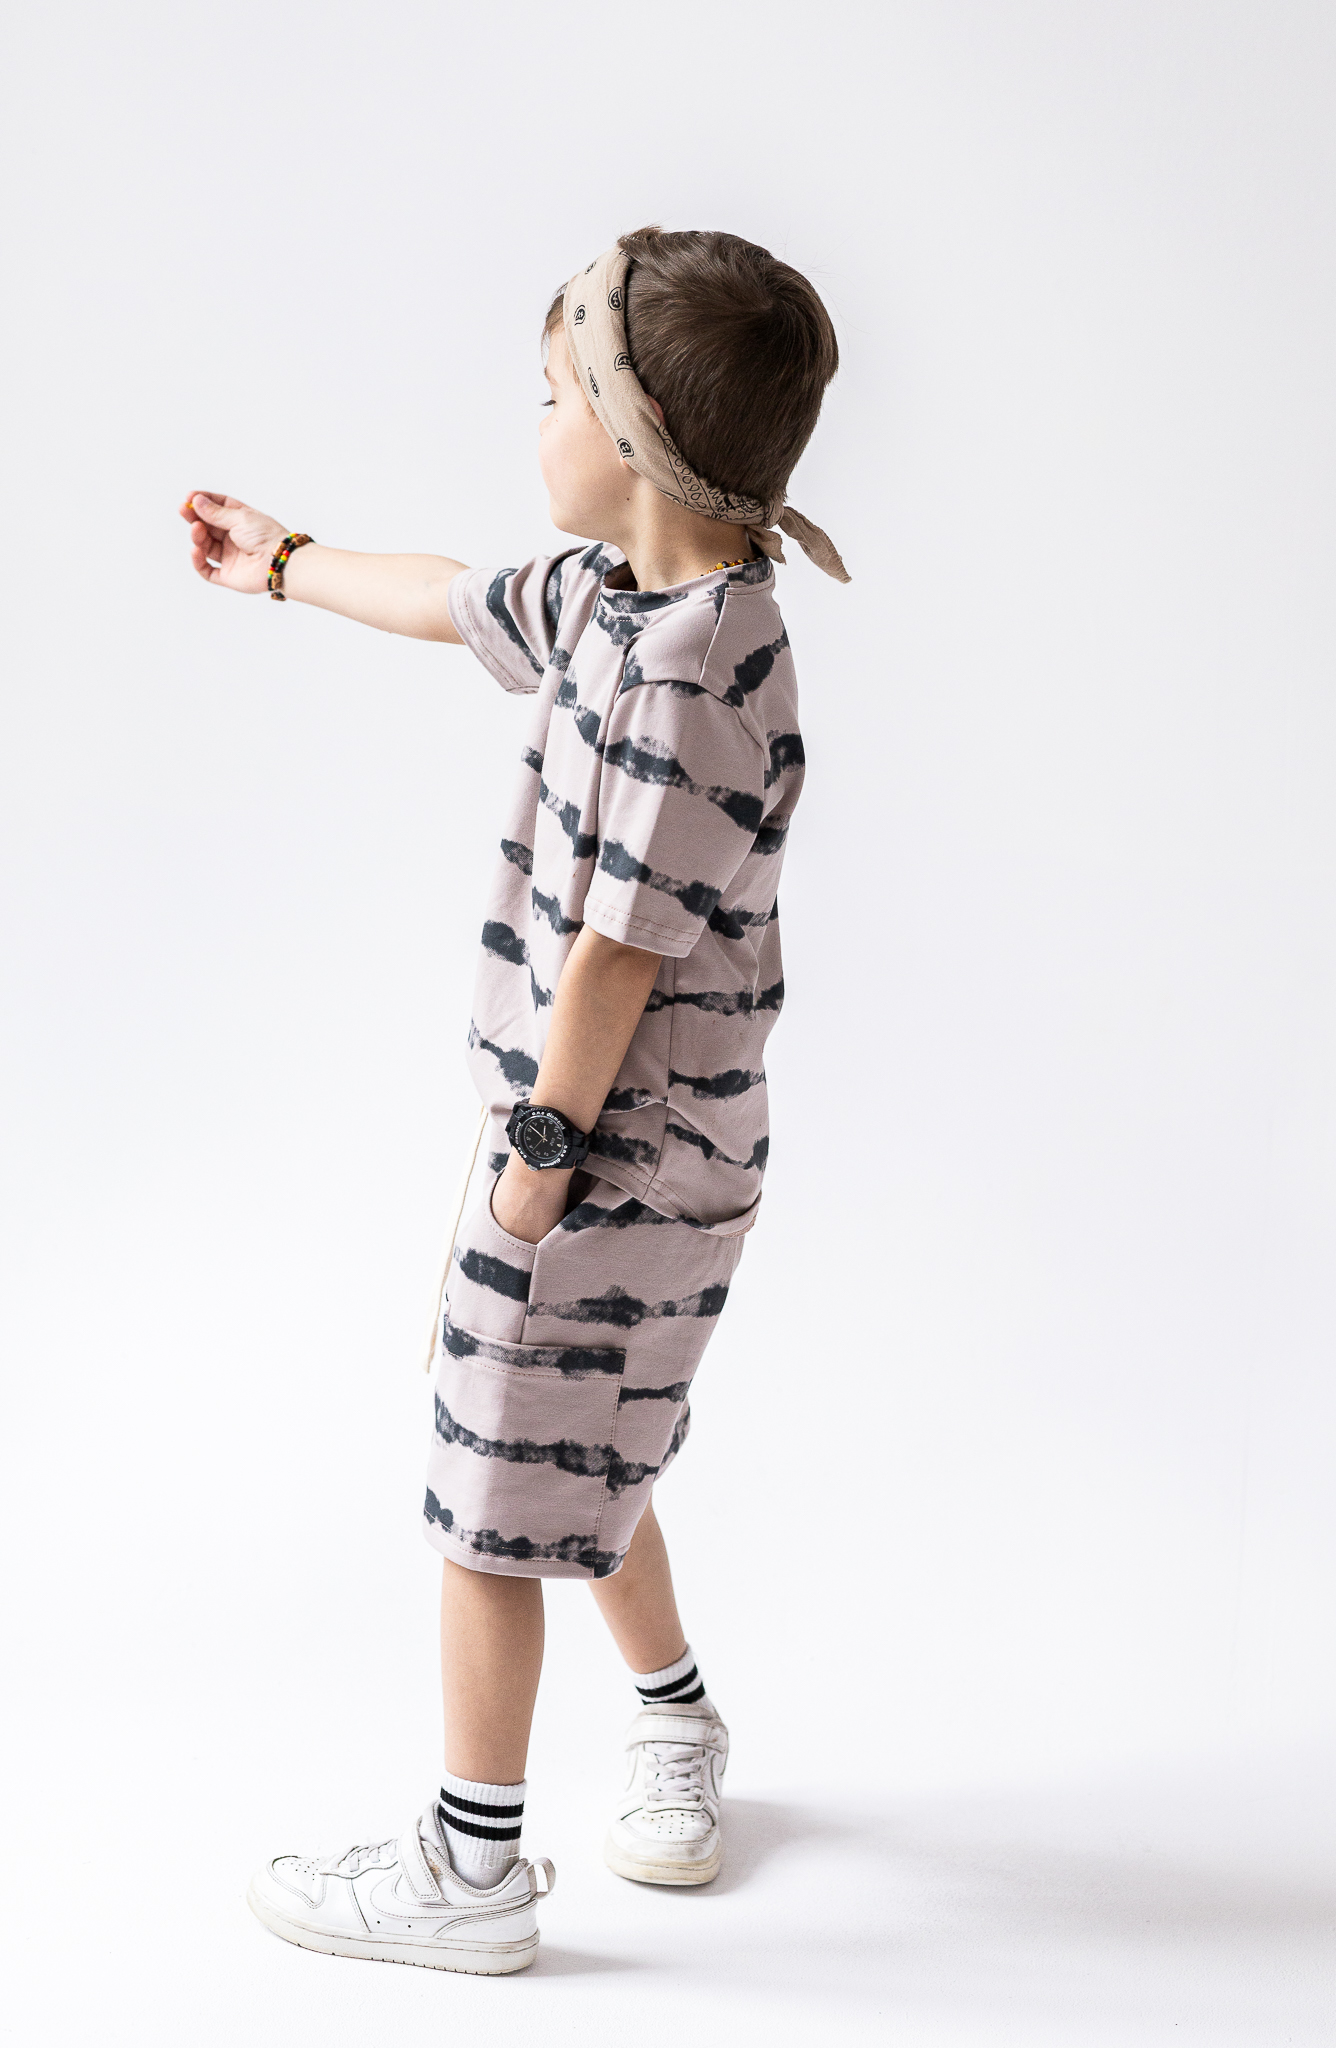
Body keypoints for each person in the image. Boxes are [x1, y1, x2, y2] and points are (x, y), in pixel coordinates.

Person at [181, 226, 847, 1975]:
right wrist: (286, 562)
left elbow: (619, 954)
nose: (531, 422)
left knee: (490, 1494)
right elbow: (448, 596)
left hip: (610, 1146)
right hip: (630, 1139)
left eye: (551, 394)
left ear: (634, 440)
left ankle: (469, 1875)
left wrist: (534, 1168)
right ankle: (679, 1717)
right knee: (581, 1445)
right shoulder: (629, 598)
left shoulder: (694, 670)